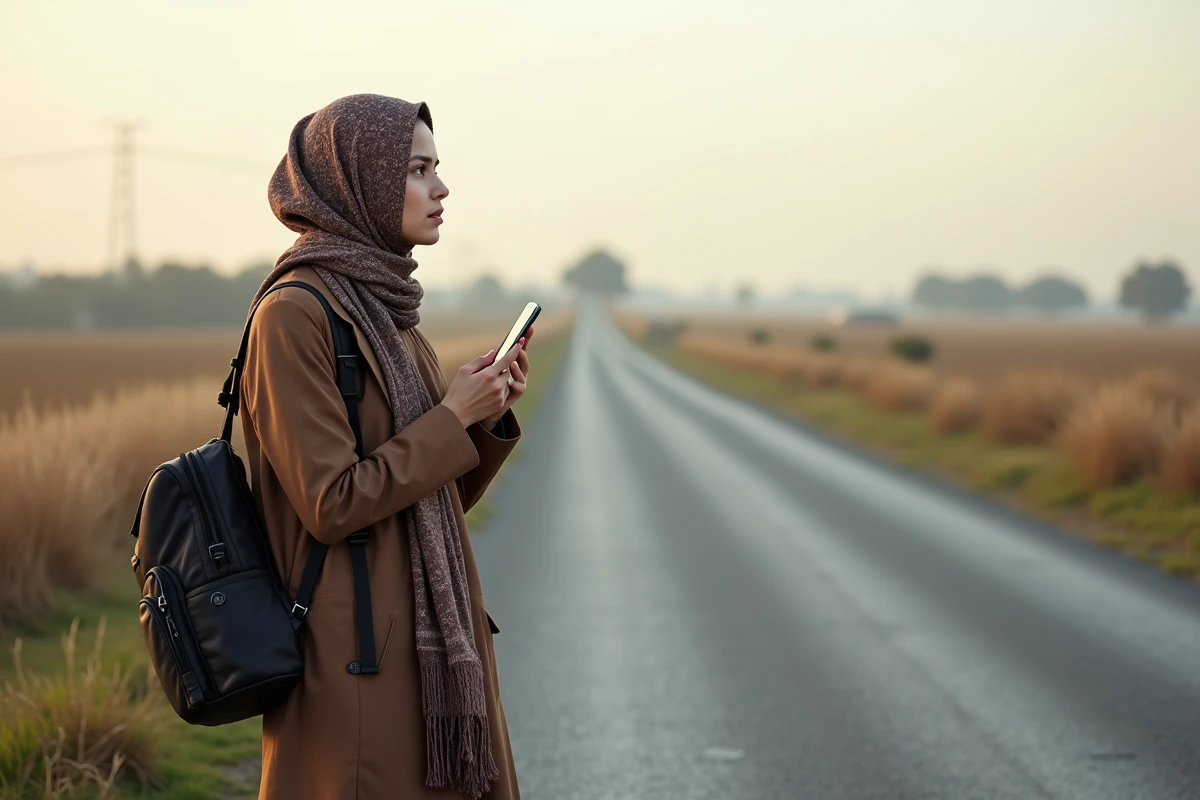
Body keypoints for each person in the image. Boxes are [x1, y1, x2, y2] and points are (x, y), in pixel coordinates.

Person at [239, 93, 528, 799]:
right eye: (418, 170)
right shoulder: (295, 315)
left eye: (437, 167)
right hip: (356, 664)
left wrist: (480, 418)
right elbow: (332, 504)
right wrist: (448, 417)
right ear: (358, 181)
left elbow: (429, 494)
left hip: (420, 651)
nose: (441, 188)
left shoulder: (389, 315)